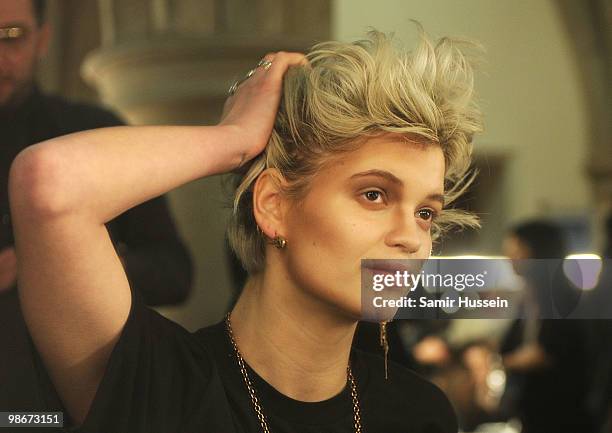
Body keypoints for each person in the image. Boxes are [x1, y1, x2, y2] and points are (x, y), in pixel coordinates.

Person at [9, 25, 482, 432]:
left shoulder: (419, 414)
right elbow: (49, 184)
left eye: (426, 213)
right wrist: (232, 141)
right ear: (273, 205)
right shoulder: (161, 385)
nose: (412, 238)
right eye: (374, 194)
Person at [0, 0, 193, 414]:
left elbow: (175, 273)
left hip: (65, 407)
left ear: (43, 40)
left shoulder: (93, 132)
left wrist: (68, 260)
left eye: (11, 36)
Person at [500, 220, 595, 433]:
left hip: (562, 414)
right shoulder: (529, 297)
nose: (508, 257)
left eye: (515, 248)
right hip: (534, 413)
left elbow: (551, 350)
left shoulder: (562, 296)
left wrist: (508, 361)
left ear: (534, 251)